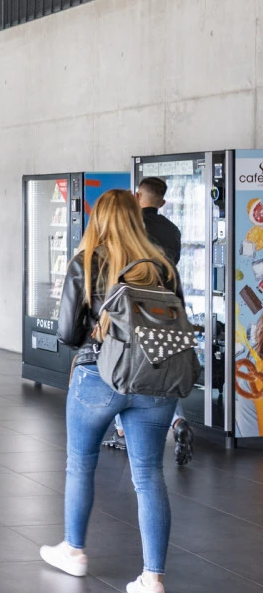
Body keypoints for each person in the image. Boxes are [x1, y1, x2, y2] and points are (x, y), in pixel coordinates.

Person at [42, 189, 183, 593]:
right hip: (156, 379)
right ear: (137, 218)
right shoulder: (162, 266)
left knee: (80, 463)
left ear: (98, 219)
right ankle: (153, 581)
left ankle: (74, 551)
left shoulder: (87, 261)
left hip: (100, 375)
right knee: (149, 475)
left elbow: (68, 333)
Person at [107, 176, 193, 464]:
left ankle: (122, 429)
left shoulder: (131, 228)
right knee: (163, 371)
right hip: (166, 310)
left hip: (134, 310)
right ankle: (178, 421)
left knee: (125, 367)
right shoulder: (173, 230)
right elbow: (172, 269)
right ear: (163, 202)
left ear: (136, 196)